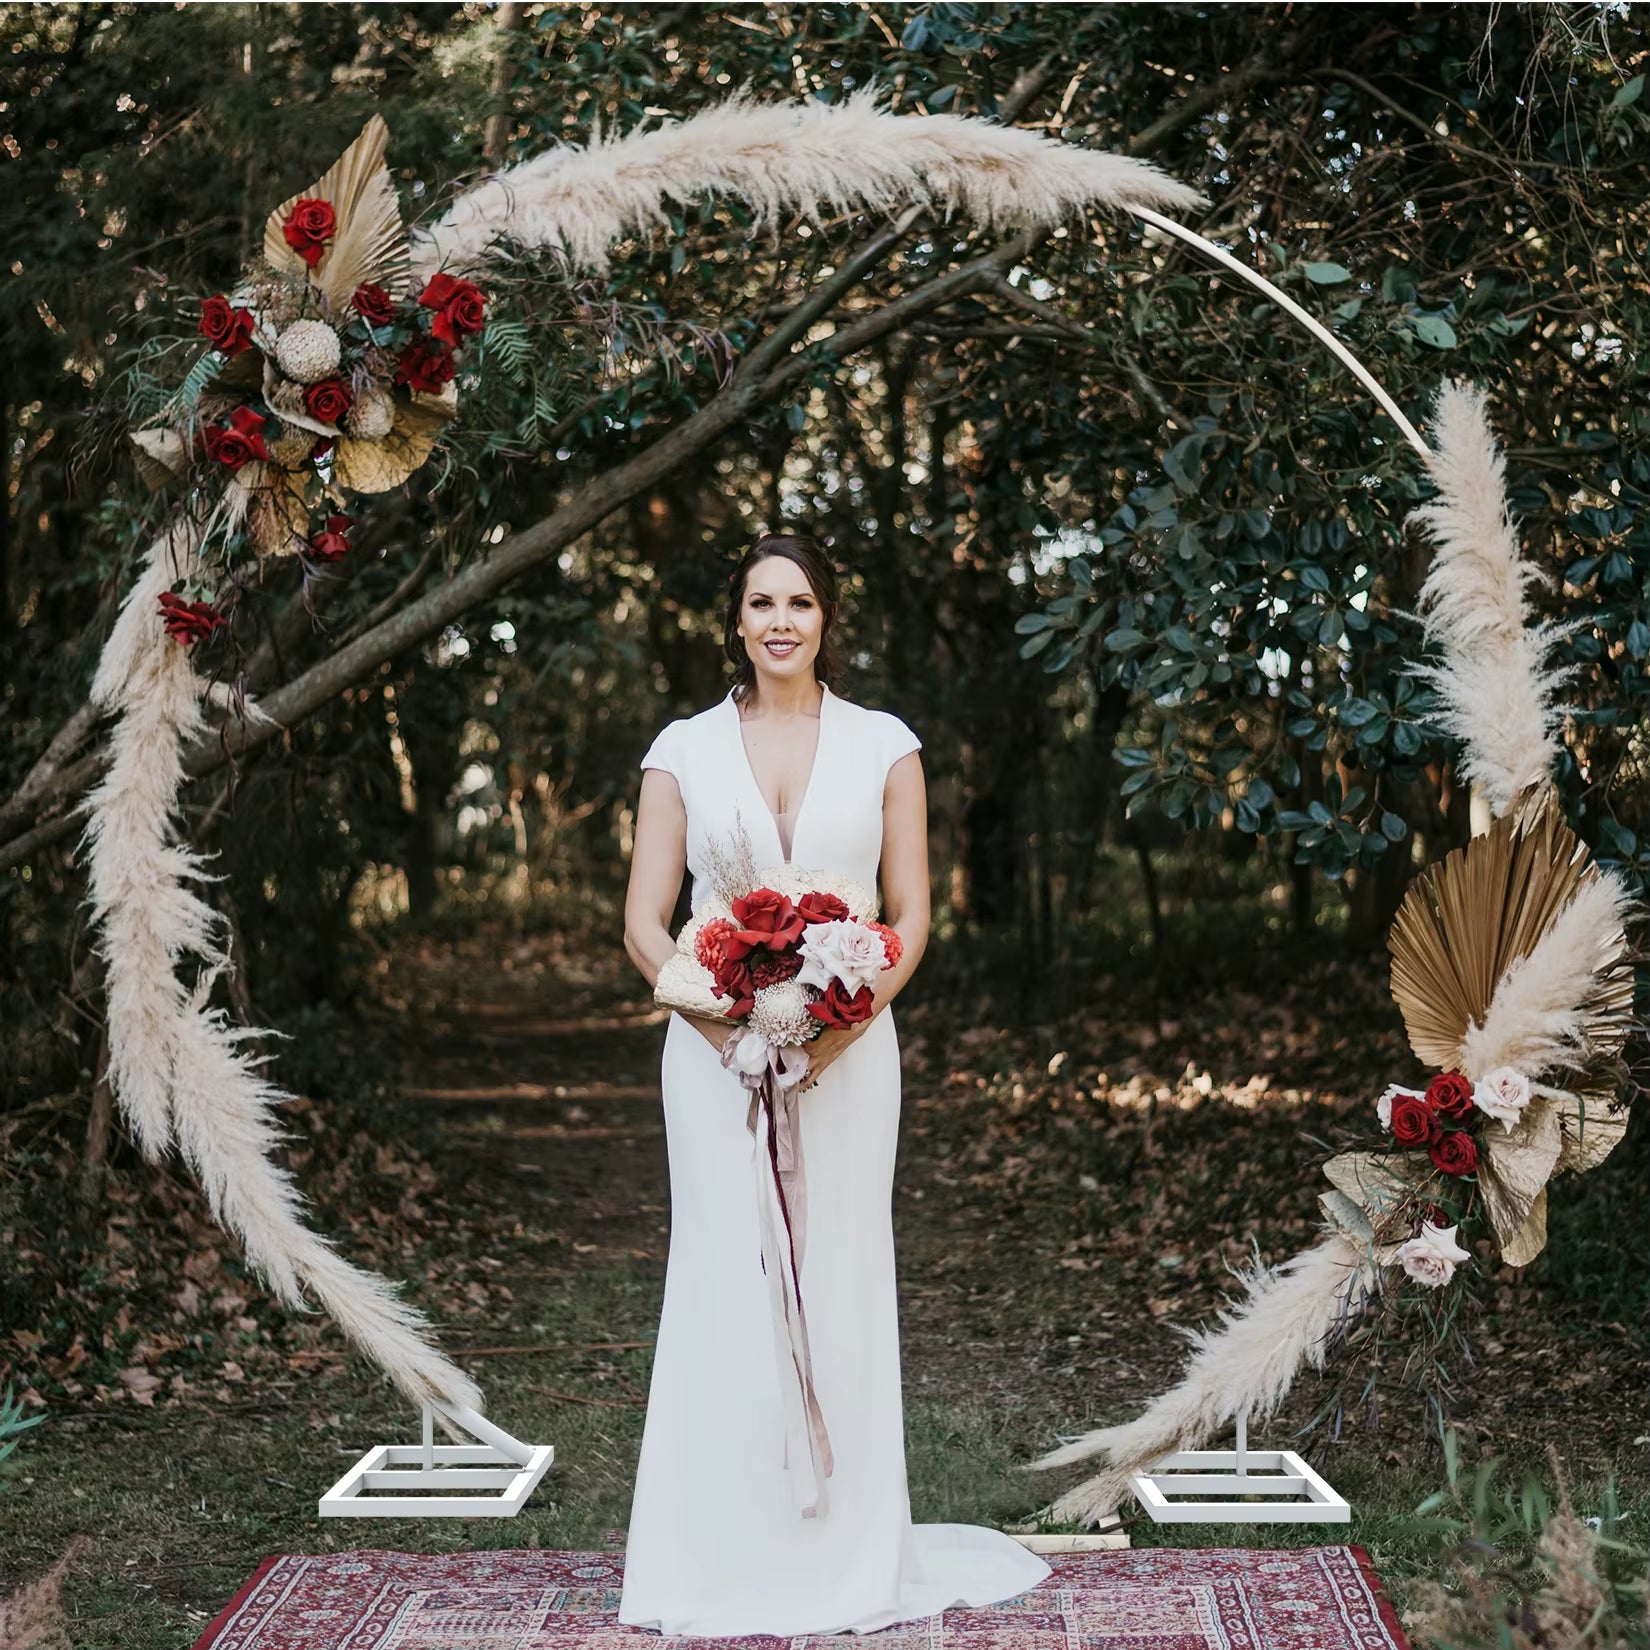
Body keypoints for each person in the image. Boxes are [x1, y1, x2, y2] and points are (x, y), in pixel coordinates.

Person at [618, 532, 1051, 1634]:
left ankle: (842, 1546)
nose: (779, 622)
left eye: (799, 604)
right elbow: (641, 919)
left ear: (827, 619)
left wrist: (837, 1032)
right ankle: (711, 1552)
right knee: (725, 1275)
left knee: (839, 1272)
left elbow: (909, 916)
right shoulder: (681, 750)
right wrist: (723, 1026)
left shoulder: (884, 747)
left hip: (850, 1060)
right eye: (760, 602)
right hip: (714, 1059)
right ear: (735, 619)